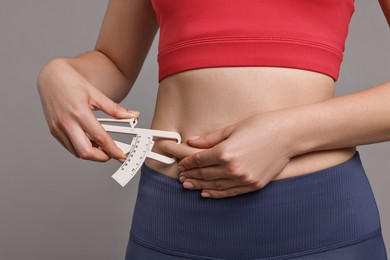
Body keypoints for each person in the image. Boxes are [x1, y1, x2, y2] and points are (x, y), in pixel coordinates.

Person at [37, 0, 390, 259]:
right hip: (170, 220)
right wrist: (57, 73)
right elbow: (114, 60)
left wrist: (286, 133)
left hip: (316, 221)